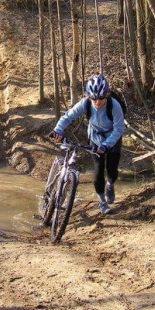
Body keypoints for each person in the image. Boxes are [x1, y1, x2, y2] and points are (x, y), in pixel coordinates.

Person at [51, 74, 125, 214]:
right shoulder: (85, 103)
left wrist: (106, 145)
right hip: (95, 138)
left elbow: (119, 129)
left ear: (106, 95)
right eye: (93, 98)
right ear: (88, 96)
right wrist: (57, 130)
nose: (97, 102)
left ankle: (110, 185)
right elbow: (67, 116)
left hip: (112, 140)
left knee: (112, 171)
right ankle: (102, 203)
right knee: (98, 169)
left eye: (101, 98)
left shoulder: (114, 106)